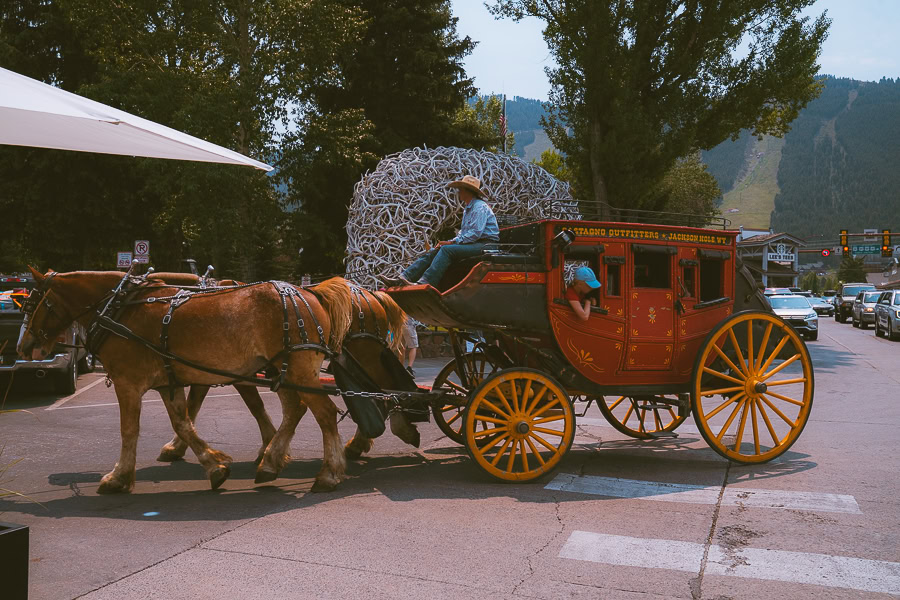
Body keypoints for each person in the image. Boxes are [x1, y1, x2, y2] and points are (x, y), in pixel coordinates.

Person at [385, 175, 500, 288]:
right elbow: (464, 233)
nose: (458, 192)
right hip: (475, 243)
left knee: (446, 250)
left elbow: (475, 234)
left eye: (460, 189)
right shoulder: (469, 208)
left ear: (467, 191)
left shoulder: (479, 207)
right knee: (435, 250)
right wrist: (451, 241)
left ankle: (426, 282)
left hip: (485, 245)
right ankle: (404, 277)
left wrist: (451, 243)